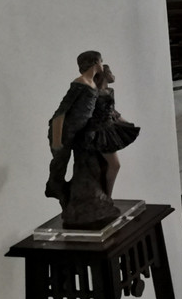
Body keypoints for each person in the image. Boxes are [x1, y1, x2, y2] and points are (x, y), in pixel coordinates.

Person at [46, 50, 103, 207]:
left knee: (83, 163)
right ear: (95, 62)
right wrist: (57, 141)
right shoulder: (80, 83)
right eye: (101, 61)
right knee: (60, 162)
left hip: (78, 132)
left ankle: (76, 193)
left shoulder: (92, 84)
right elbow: (60, 113)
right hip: (64, 131)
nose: (102, 64)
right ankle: (54, 187)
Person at [75, 64, 140, 196]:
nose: (112, 75)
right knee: (115, 165)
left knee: (106, 165)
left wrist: (125, 122)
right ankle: (108, 195)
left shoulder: (109, 91)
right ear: (104, 75)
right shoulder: (94, 93)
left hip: (109, 127)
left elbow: (112, 111)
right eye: (110, 72)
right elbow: (88, 113)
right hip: (100, 132)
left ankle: (105, 194)